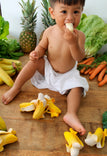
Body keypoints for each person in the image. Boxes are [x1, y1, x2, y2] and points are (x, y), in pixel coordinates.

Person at [2, 0, 89, 135]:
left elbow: (79, 58)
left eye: (76, 12)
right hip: (48, 69)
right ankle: (16, 87)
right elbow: (42, 47)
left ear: (81, 12)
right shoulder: (49, 32)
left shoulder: (79, 36)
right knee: (33, 63)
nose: (70, 17)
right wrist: (36, 53)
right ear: (52, 13)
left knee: (78, 87)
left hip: (67, 75)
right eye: (64, 11)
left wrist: (72, 43)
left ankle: (71, 114)